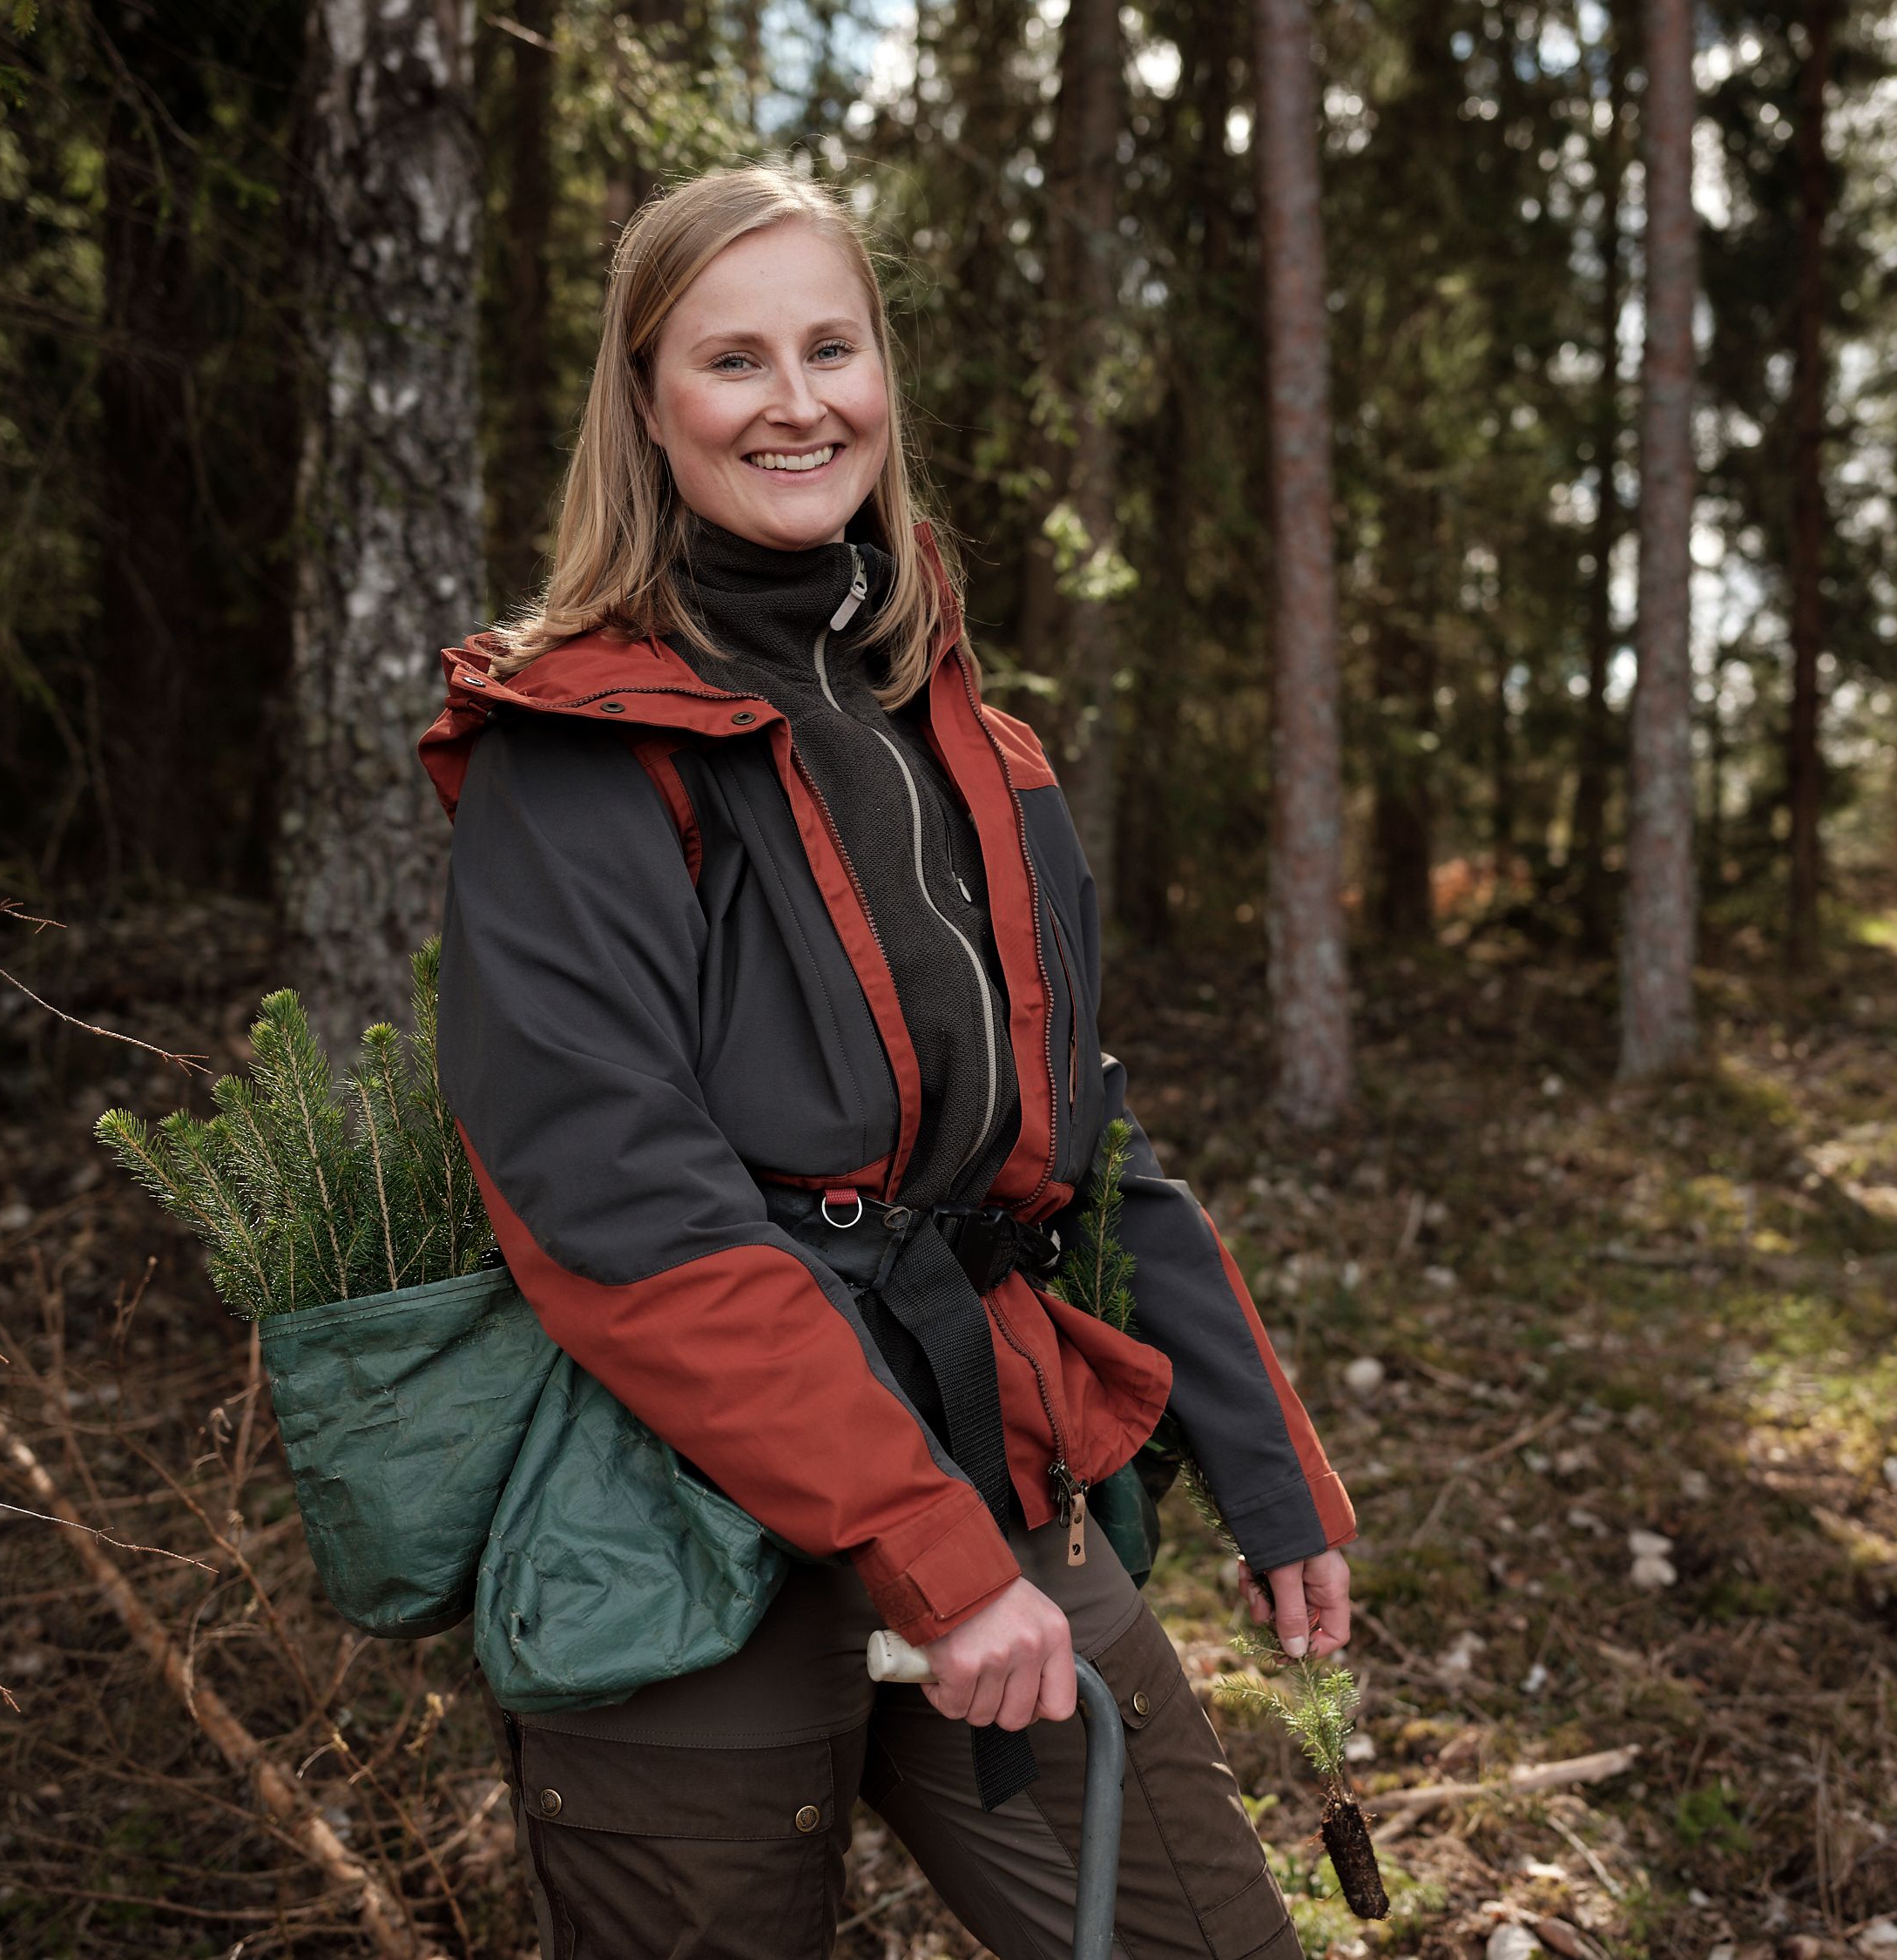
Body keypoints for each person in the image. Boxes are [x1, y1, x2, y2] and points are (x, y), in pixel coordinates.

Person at [421, 162, 1357, 1960]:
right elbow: (622, 1214)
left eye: (831, 347)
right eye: (733, 359)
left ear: (884, 380)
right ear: (646, 404)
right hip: (671, 1531)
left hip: (987, 1458)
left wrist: (1264, 1459)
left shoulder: (978, 746)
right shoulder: (576, 748)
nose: (797, 402)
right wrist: (934, 1556)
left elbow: (1084, 1139)